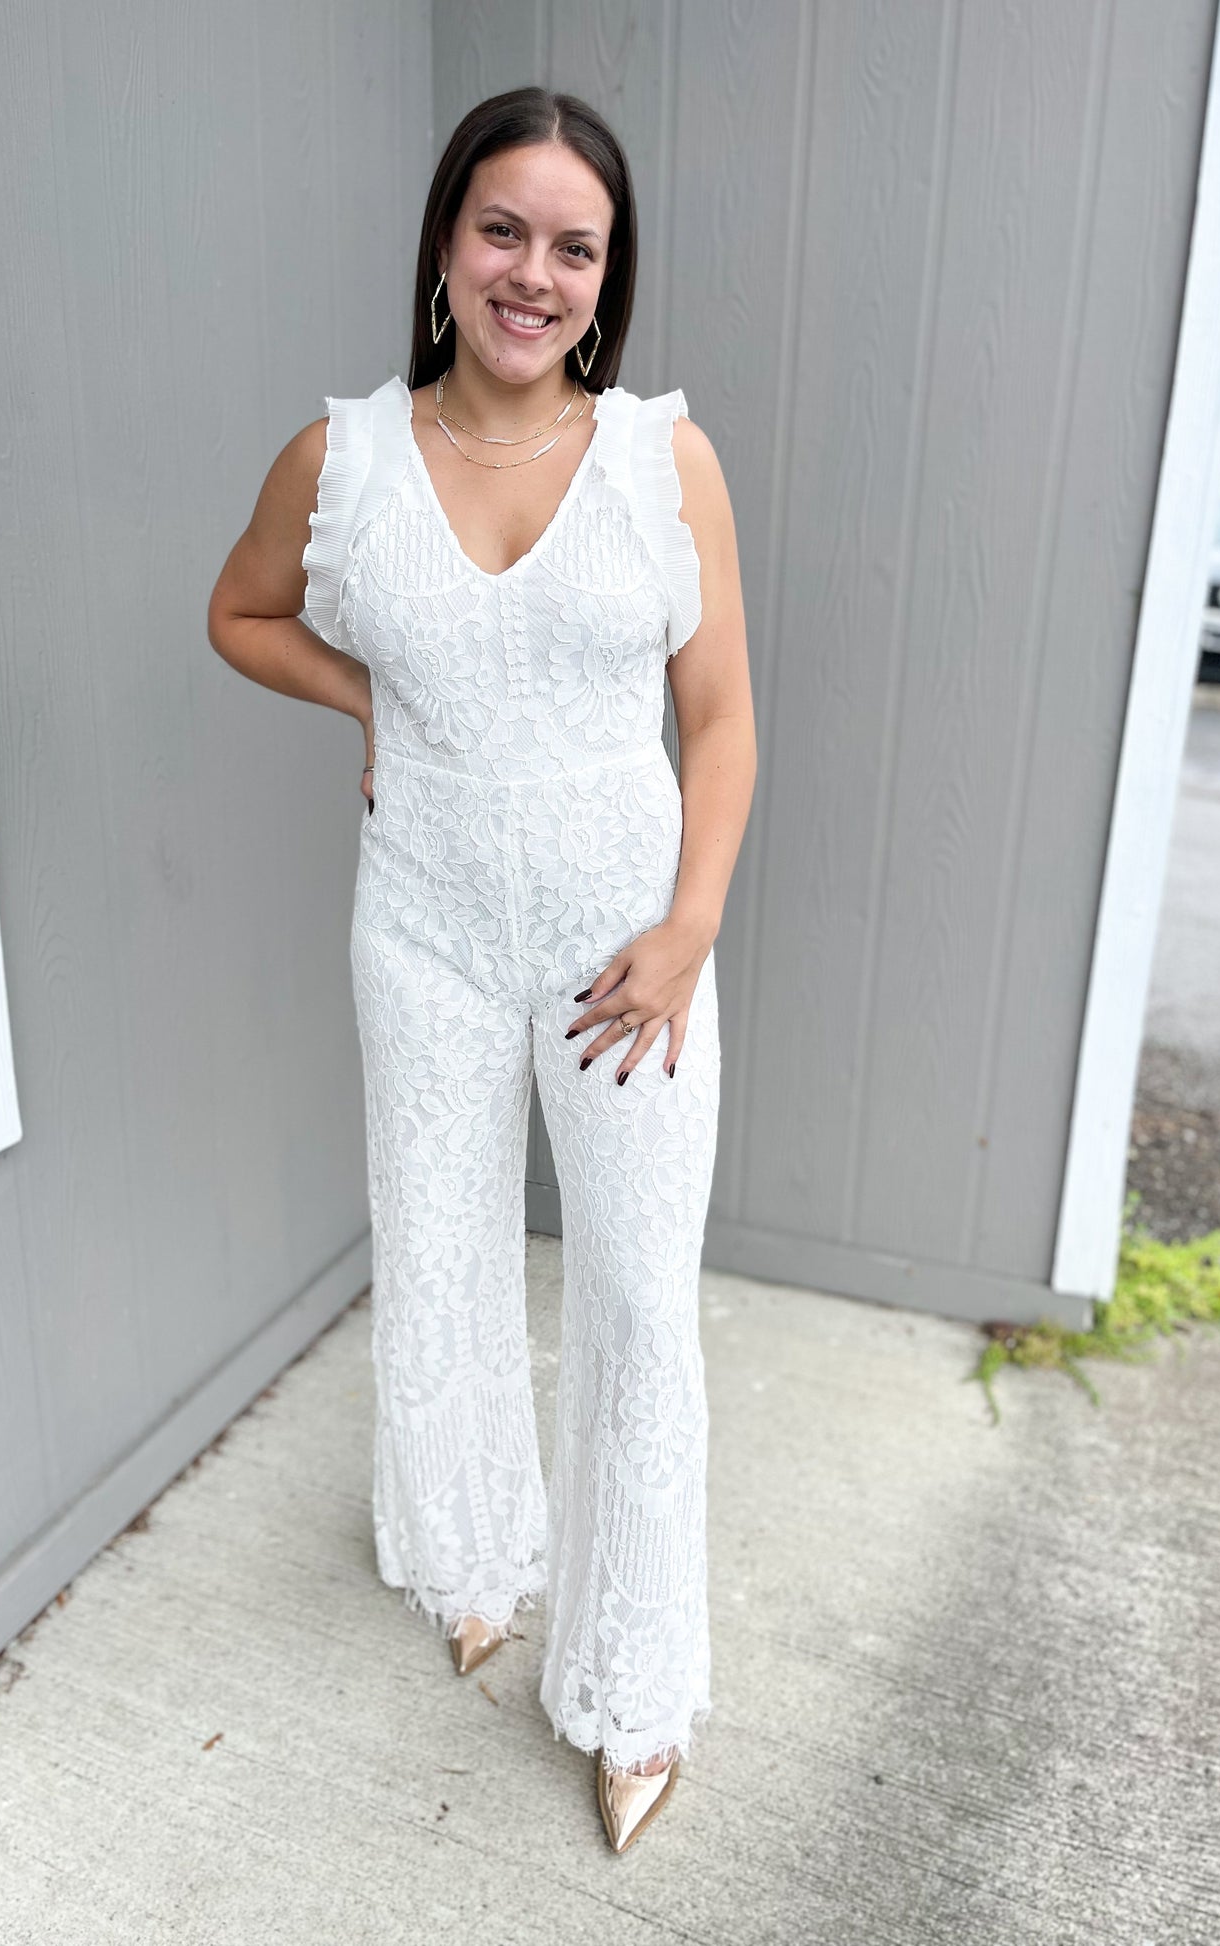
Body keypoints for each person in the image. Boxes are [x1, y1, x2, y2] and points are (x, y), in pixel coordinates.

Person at [207, 85, 754, 1855]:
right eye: (501, 230)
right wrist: (366, 694)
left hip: (625, 954)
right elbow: (239, 613)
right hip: (425, 931)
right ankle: (476, 1561)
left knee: (639, 1300)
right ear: (444, 241)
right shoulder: (342, 459)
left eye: (572, 247)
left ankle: (633, 1683)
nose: (533, 273)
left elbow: (721, 718)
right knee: (439, 1253)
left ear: (608, 276)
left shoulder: (662, 461)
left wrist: (689, 927)